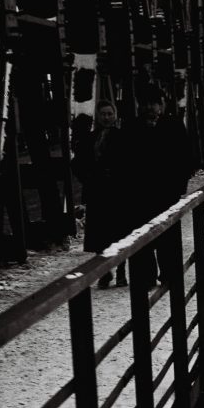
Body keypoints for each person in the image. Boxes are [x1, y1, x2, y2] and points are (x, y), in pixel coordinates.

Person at [124, 88, 194, 287]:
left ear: (162, 105)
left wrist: (179, 186)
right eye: (145, 104)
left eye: (154, 103)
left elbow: (185, 157)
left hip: (166, 191)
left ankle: (169, 274)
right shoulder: (132, 126)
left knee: (168, 234)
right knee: (141, 234)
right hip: (140, 192)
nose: (149, 108)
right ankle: (145, 277)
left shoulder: (173, 125)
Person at [72, 99, 130, 287]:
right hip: (97, 192)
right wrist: (88, 178)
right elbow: (77, 164)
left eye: (109, 114)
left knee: (118, 233)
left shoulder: (123, 138)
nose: (106, 117)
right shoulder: (90, 139)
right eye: (103, 114)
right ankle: (105, 272)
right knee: (100, 235)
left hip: (118, 193)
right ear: (97, 116)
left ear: (115, 116)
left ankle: (120, 271)